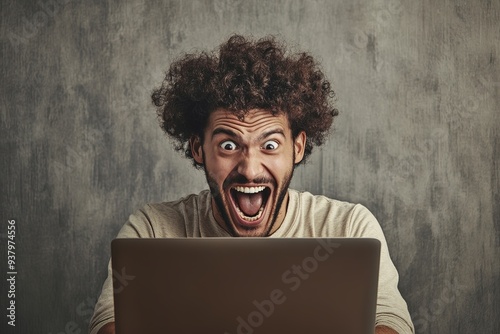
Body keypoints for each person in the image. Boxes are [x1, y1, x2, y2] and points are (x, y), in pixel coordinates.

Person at [89, 35, 414, 334]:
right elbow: (109, 326)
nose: (249, 168)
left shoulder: (348, 227)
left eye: (270, 145)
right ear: (198, 148)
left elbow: (391, 325)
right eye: (228, 146)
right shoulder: (151, 231)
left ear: (297, 147)